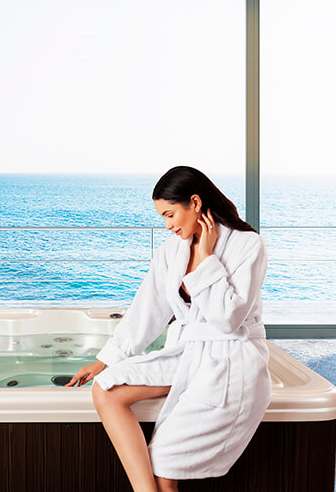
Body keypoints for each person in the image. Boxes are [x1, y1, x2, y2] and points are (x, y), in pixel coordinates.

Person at [65, 166, 272, 492]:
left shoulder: (247, 245)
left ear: (195, 202)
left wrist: (206, 258)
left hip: (232, 362)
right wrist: (104, 361)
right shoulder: (170, 251)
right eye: (162, 216)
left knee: (163, 469)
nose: (167, 224)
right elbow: (145, 312)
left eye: (170, 214)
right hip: (189, 353)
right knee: (105, 390)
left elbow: (228, 319)